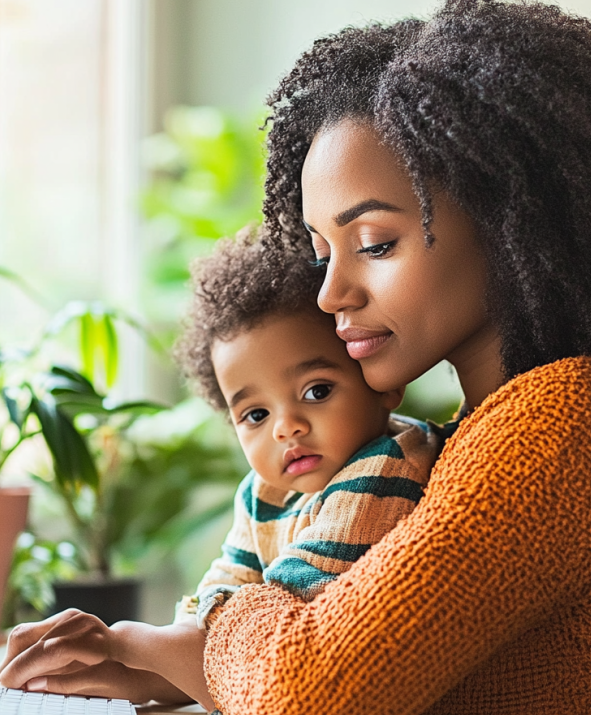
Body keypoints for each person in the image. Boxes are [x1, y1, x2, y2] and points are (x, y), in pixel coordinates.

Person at [0, 0, 591, 715]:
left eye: (374, 242)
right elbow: (382, 663)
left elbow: (311, 697)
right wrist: (156, 659)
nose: (331, 291)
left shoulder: (566, 425)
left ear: (510, 221)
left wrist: (206, 628)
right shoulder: (488, 433)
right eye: (320, 252)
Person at [170, 227, 443, 628]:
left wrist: (179, 641)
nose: (286, 428)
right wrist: (177, 634)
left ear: (383, 382)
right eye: (256, 415)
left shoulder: (387, 468)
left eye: (316, 391)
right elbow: (223, 582)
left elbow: (294, 597)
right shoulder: (265, 491)